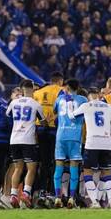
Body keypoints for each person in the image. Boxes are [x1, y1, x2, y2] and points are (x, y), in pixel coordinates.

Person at [69, 87, 111, 209]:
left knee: (87, 173)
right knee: (107, 173)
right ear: (99, 95)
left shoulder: (86, 105)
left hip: (92, 143)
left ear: (89, 96)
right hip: (106, 144)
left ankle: (95, 202)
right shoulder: (108, 106)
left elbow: (72, 117)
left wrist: (70, 107)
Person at [6, 79, 44, 208]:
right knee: (32, 168)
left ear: (22, 89)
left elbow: (7, 116)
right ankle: (26, 194)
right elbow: (43, 121)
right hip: (28, 140)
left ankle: (13, 195)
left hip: (14, 139)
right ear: (33, 89)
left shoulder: (13, 102)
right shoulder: (35, 104)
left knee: (17, 168)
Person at [52, 78, 86, 208]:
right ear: (78, 88)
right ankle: (71, 198)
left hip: (61, 136)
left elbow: (55, 112)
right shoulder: (83, 100)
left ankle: (57, 197)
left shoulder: (59, 99)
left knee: (59, 166)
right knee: (74, 167)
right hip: (75, 137)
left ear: (67, 87)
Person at [33, 71, 63, 204]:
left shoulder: (38, 92)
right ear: (60, 81)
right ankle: (52, 192)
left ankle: (41, 191)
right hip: (54, 130)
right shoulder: (61, 91)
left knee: (43, 163)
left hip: (39, 129)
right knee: (55, 162)